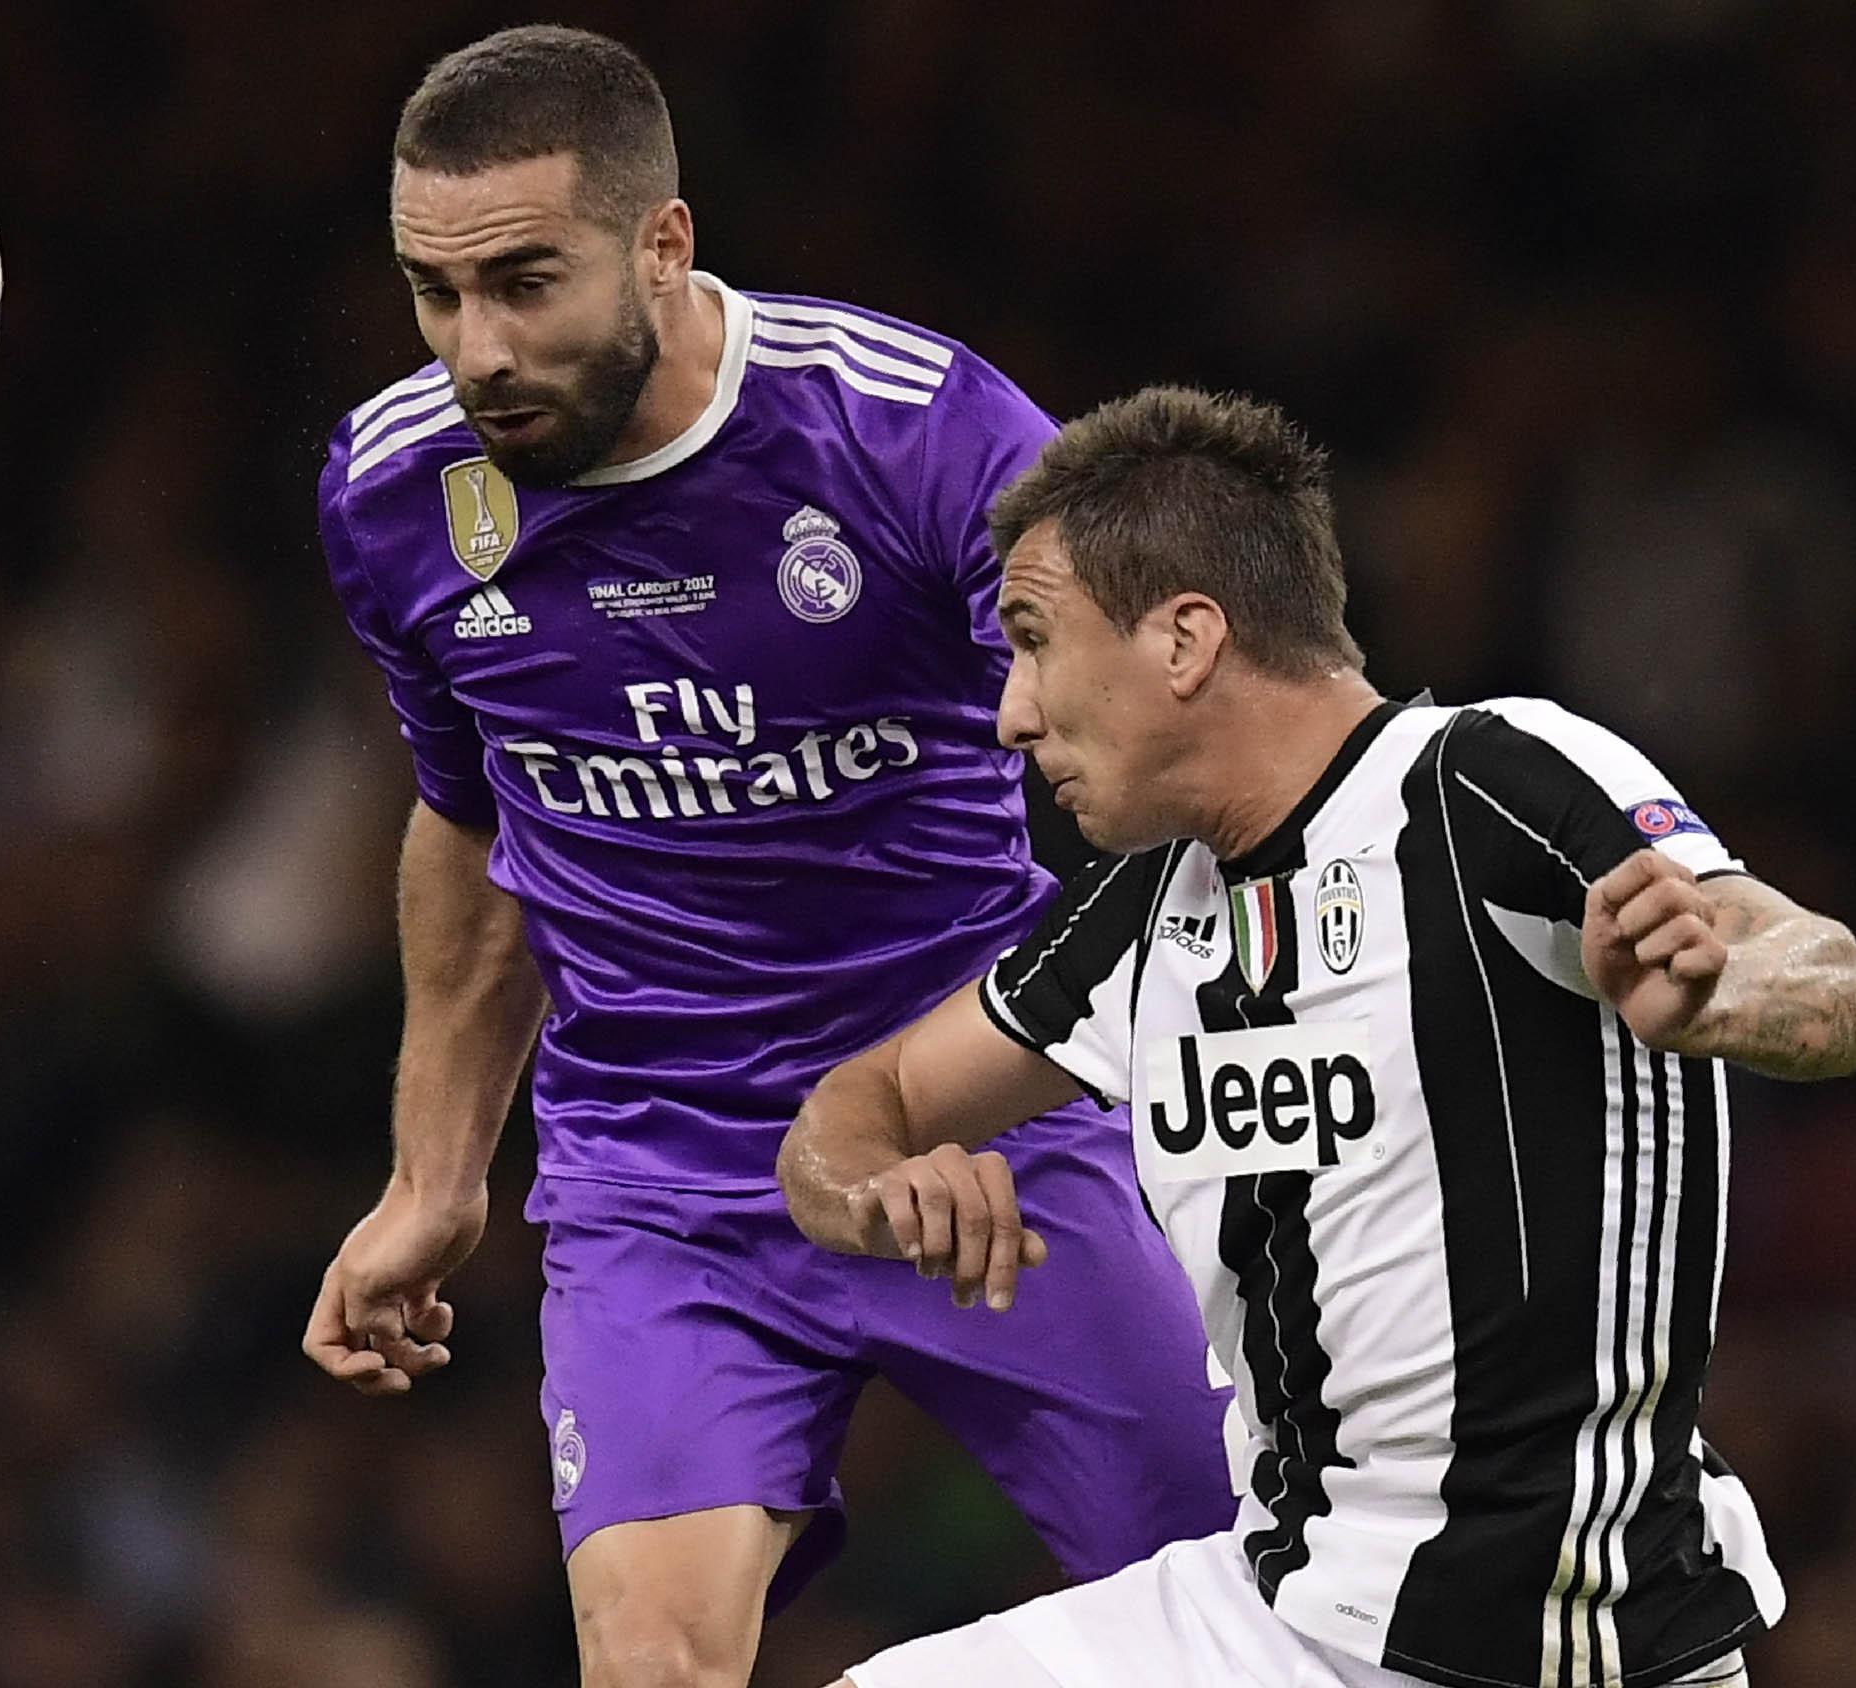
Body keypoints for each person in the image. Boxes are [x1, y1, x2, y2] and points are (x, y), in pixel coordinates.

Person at [299, 26, 1235, 1685]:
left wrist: (1053, 1058)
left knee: (1246, 1611)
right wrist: (435, 1172)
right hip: (665, 1182)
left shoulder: (915, 436)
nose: (478, 350)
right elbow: (471, 821)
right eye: (436, 295)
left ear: (666, 242)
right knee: (651, 1666)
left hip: (991, 1135)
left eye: (527, 281)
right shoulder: (394, 494)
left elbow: (1160, 750)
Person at [779, 386, 1856, 1688]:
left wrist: (1712, 996)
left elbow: (1842, 984)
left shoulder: (1490, 782)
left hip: (1556, 1640)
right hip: (1281, 1614)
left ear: (1186, 640)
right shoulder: (1148, 913)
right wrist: (882, 1192)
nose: (1011, 714)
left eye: (1033, 642)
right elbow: (854, 1113)